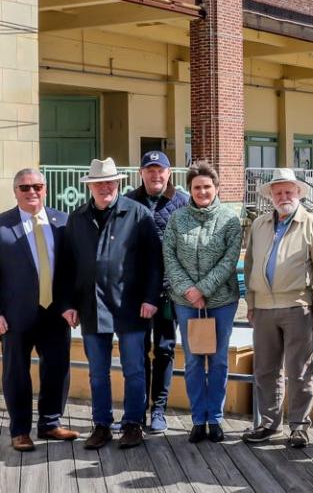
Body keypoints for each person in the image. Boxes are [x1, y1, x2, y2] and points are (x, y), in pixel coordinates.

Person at [55, 157, 162, 450]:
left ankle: (132, 425)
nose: (105, 187)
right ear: (90, 187)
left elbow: (155, 263)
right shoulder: (76, 219)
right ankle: (101, 425)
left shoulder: (139, 214)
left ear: (118, 184)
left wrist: (151, 298)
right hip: (91, 306)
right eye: (99, 183)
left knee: (135, 370)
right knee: (98, 372)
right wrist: (67, 303)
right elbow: (65, 267)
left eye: (109, 182)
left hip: (130, 306)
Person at [0, 169, 79, 451]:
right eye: (25, 187)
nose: (31, 191)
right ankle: (20, 430)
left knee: (57, 369)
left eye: (37, 186)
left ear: (45, 189)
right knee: (16, 373)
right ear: (15, 191)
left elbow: (71, 269)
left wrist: (71, 304)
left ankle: (50, 423)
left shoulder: (63, 222)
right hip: (14, 317)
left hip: (55, 313)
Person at [242, 168, 313, 448]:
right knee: (266, 369)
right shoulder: (260, 224)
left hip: (297, 305)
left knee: (300, 370)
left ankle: (299, 426)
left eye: (289, 191)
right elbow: (250, 264)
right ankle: (268, 423)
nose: (283, 196)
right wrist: (250, 302)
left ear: (298, 193)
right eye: (278, 192)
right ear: (271, 197)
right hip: (263, 307)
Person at [163, 161, 242, 444]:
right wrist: (188, 291)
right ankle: (199, 419)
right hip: (186, 303)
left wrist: (204, 289)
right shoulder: (177, 219)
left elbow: (230, 260)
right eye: (197, 187)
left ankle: (216, 419)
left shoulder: (230, 220)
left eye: (208, 186)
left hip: (221, 302)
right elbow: (169, 257)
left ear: (216, 188)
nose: (202, 191)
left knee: (219, 360)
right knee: (195, 361)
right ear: (190, 189)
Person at [125, 150, 188, 433]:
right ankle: (137, 412)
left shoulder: (181, 203)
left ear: (169, 172)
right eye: (149, 170)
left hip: (167, 293)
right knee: (138, 351)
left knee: (164, 350)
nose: (155, 174)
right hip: (135, 294)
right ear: (141, 173)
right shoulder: (127, 202)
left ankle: (159, 409)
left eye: (160, 170)